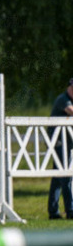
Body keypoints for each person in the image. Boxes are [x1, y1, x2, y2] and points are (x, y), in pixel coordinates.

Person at [47, 78, 73, 220]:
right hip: (57, 142)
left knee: (58, 177)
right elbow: (71, 111)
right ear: (70, 87)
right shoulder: (63, 99)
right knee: (65, 175)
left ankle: (53, 211)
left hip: (66, 142)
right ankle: (70, 210)